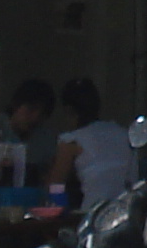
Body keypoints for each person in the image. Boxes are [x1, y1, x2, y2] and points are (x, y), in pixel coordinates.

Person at [49, 79, 137, 216]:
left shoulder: (71, 141)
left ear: (69, 110)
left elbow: (55, 186)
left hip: (93, 214)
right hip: (128, 212)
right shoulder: (123, 134)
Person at [0, 78, 58, 183]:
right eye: (31, 109)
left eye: (42, 114)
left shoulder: (46, 140)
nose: (35, 118)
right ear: (16, 105)